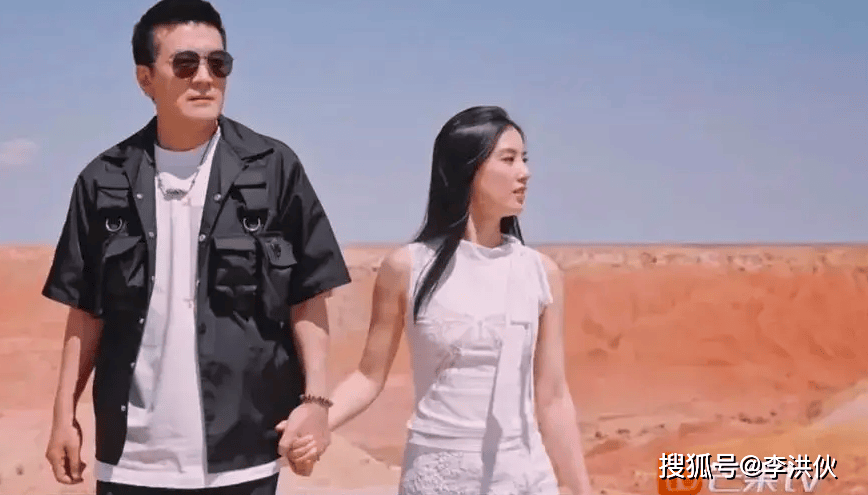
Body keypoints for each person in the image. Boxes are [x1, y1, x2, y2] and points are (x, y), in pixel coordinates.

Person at [40, 1, 352, 494]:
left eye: (218, 63)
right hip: (131, 464)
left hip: (243, 458)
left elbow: (308, 295)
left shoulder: (274, 168)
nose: (205, 78)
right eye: (185, 64)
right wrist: (64, 414)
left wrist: (315, 402)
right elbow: (85, 311)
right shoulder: (102, 180)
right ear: (146, 79)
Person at [286, 106, 594, 495]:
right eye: (509, 159)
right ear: (468, 169)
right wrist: (318, 423)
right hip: (438, 477)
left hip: (522, 477)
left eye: (524, 159)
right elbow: (369, 377)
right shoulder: (407, 267)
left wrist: (580, 489)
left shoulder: (540, 273)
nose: (525, 172)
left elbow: (552, 397)